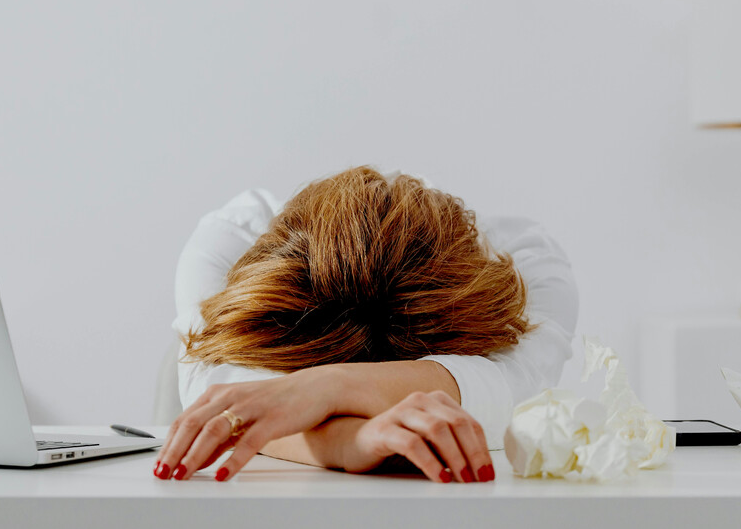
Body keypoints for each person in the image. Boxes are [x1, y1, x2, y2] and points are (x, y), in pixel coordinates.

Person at [155, 167, 577, 483]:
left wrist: (325, 387)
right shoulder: (233, 235)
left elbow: (517, 388)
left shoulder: (529, 263)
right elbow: (230, 396)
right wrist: (348, 440)